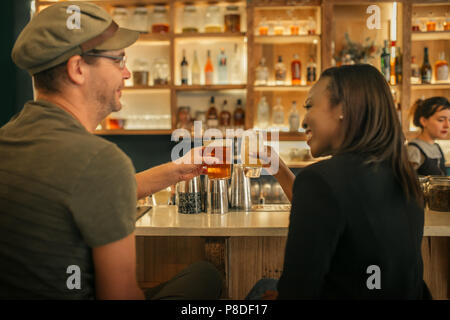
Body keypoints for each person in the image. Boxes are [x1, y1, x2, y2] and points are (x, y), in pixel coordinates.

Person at [0, 2, 221, 300]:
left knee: (200, 276)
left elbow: (89, 190)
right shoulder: (100, 160)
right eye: (118, 61)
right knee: (208, 276)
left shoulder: (11, 139)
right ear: (78, 68)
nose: (127, 73)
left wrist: (177, 169)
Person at [248, 64, 429, 299]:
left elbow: (297, 292)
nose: (303, 121)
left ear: (342, 108)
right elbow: (339, 209)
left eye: (310, 105)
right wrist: (281, 169)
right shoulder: (403, 175)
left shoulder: (320, 180)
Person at [407, 97, 449, 176]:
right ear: (423, 121)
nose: (447, 125)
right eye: (441, 120)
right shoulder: (414, 149)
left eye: (449, 120)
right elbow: (407, 182)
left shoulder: (436, 146)